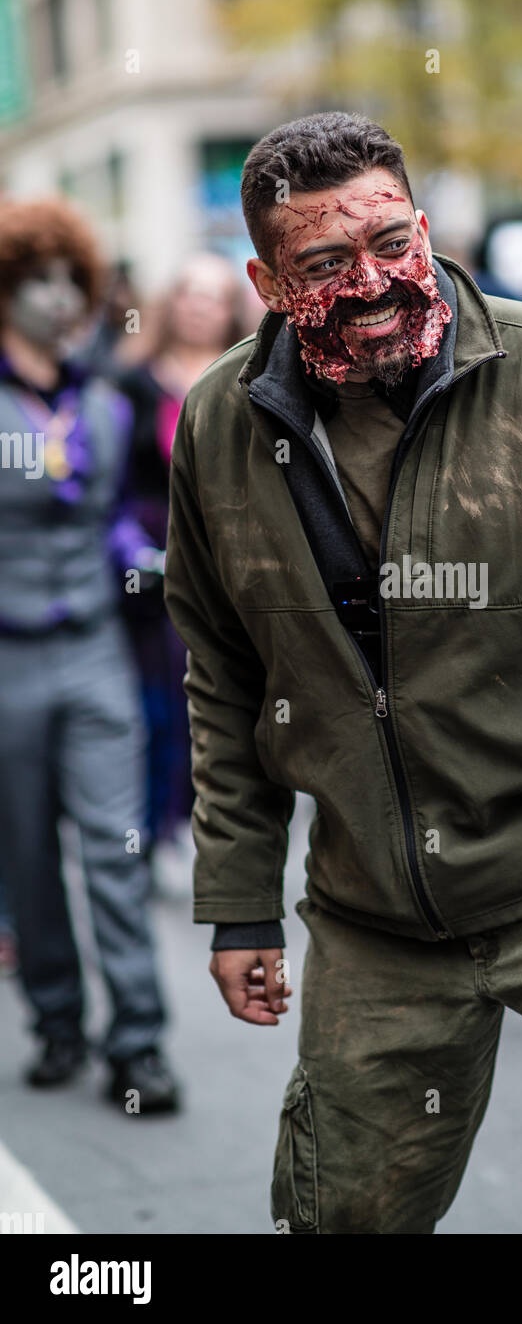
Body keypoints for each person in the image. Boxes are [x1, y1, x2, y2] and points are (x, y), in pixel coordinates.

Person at [164, 112, 522, 1234]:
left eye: (392, 242)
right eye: (326, 263)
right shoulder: (218, 426)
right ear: (266, 279)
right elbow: (225, 677)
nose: (373, 281)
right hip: (370, 916)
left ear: (425, 226)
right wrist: (239, 904)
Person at [0, 197, 179, 1111]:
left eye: (72, 279)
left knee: (118, 849)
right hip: (8, 661)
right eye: (38, 279)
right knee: (28, 858)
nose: (59, 297)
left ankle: (138, 1043)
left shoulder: (107, 404)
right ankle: (58, 1022)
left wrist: (148, 564)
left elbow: (113, 519)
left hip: (97, 652)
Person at [116, 255, 248, 889]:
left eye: (215, 297)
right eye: (190, 294)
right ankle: (160, 825)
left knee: (236, 696)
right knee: (166, 700)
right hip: (154, 566)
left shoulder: (248, 376)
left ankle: (224, 828)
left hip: (233, 560)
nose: (200, 307)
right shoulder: (133, 383)